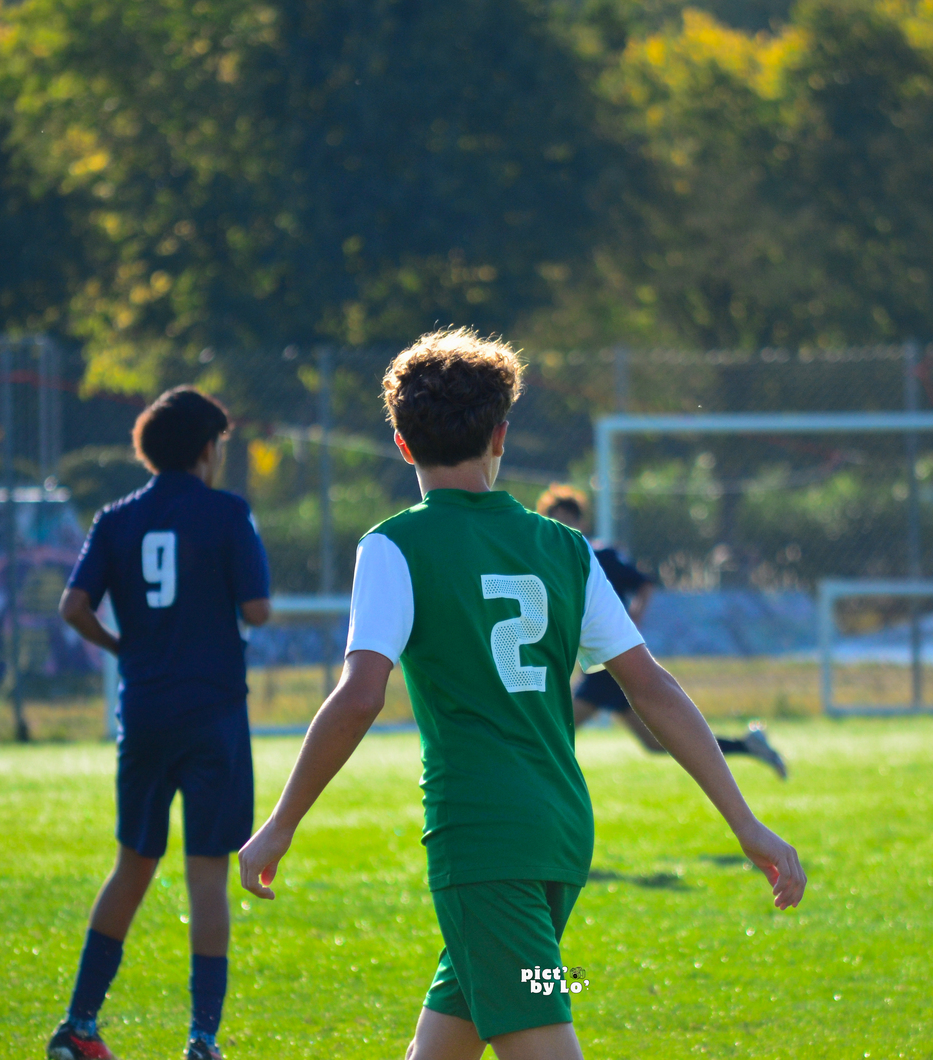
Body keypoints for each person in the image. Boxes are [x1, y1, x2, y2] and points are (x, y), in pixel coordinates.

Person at [237, 328, 805, 1060]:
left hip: (482, 835)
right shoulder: (565, 548)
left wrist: (280, 823)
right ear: (500, 435)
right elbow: (652, 688)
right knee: (451, 1037)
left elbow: (358, 698)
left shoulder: (394, 545)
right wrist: (744, 822)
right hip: (561, 827)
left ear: (402, 446)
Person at [49, 387, 271, 1060]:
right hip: (213, 714)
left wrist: (124, 646)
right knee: (206, 875)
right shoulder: (228, 512)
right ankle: (202, 1038)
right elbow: (257, 610)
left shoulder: (116, 518)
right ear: (206, 449)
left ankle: (79, 1025)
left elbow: (73, 606)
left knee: (132, 866)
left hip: (145, 711)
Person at [535, 485, 788, 780]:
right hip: (597, 662)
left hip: (608, 661)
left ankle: (535, 787)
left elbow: (644, 583)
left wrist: (633, 618)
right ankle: (747, 745)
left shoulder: (597, 554)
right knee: (655, 743)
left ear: (582, 522)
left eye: (569, 519)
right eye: (556, 519)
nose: (563, 525)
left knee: (553, 732)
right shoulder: (551, 559)